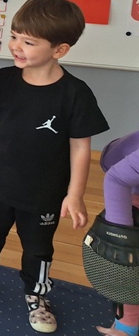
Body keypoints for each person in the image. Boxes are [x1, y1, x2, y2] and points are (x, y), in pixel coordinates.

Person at [0, 0, 109, 333]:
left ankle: (37, 295)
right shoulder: (3, 79)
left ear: (59, 49)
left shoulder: (75, 93)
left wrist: (75, 195)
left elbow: (81, 148)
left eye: (28, 42)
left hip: (44, 193)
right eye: (14, 36)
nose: (16, 46)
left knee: (38, 248)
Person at [94, 131, 139, 336]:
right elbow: (116, 179)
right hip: (120, 165)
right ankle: (126, 326)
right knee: (129, 260)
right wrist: (121, 240)